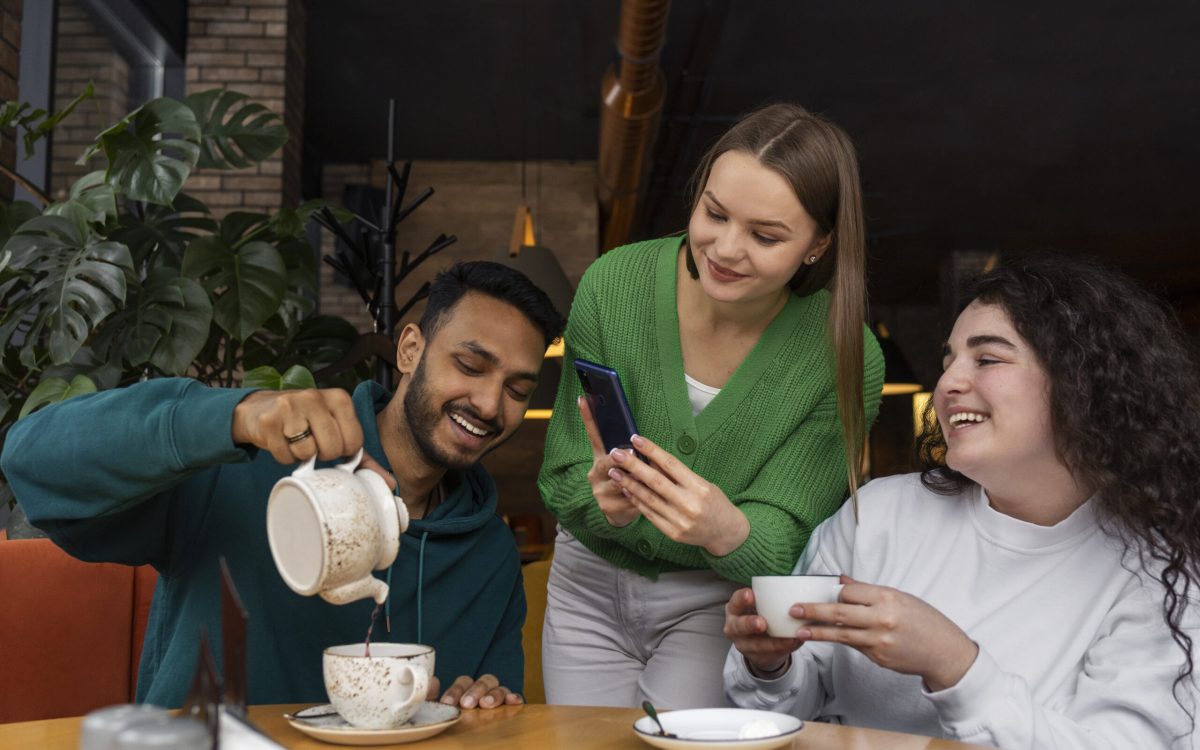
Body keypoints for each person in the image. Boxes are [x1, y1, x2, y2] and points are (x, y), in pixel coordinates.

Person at [2, 261, 565, 710]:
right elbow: (31, 463)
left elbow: (493, 705)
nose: (491, 404)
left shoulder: (490, 553)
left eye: (518, 389)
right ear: (411, 350)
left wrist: (485, 701)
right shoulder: (248, 466)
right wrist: (236, 418)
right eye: (470, 365)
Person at [723, 254, 1200, 748]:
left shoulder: (1156, 576)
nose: (947, 384)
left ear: (1083, 385)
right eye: (948, 360)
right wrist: (769, 662)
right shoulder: (880, 514)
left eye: (987, 359)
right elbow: (777, 714)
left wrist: (954, 665)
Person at [538, 102, 885, 708]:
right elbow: (563, 470)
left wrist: (726, 528)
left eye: (766, 235)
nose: (725, 249)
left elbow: (788, 538)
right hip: (585, 584)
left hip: (716, 597)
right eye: (714, 213)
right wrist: (599, 504)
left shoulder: (845, 356)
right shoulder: (612, 284)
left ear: (818, 245)